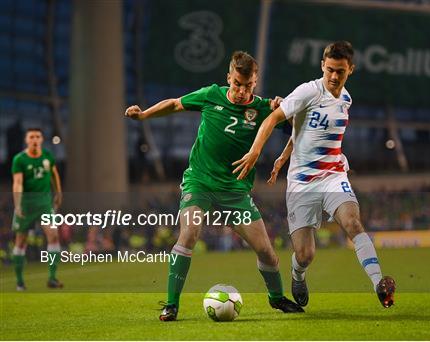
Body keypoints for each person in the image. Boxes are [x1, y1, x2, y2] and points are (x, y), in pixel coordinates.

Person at [125, 51, 304, 321]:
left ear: (255, 82)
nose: (242, 91)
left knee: (266, 250)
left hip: (235, 191)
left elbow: (298, 129)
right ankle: (171, 304)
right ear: (228, 78)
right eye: (237, 84)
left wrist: (287, 111)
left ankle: (276, 298)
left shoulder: (265, 108)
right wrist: (144, 115)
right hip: (200, 181)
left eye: (248, 86)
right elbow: (174, 104)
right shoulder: (211, 94)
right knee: (189, 234)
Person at [233, 41, 396, 308]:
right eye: (330, 69)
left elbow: (306, 131)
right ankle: (298, 274)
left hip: (333, 176)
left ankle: (379, 283)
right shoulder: (307, 91)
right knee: (305, 254)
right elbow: (272, 119)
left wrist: (285, 155)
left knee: (353, 223)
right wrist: (255, 153)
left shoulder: (346, 99)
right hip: (301, 183)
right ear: (322, 65)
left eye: (340, 72)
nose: (334, 76)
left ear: (350, 70)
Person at [11, 127, 63, 290]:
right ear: (27, 140)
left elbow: (54, 173)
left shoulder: (47, 156)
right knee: (21, 241)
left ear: (41, 139)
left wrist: (58, 192)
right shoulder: (20, 159)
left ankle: (52, 278)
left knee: (53, 236)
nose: (35, 139)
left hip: (44, 204)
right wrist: (18, 204)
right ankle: (20, 282)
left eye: (37, 136)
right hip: (26, 204)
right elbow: (18, 183)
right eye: (31, 137)